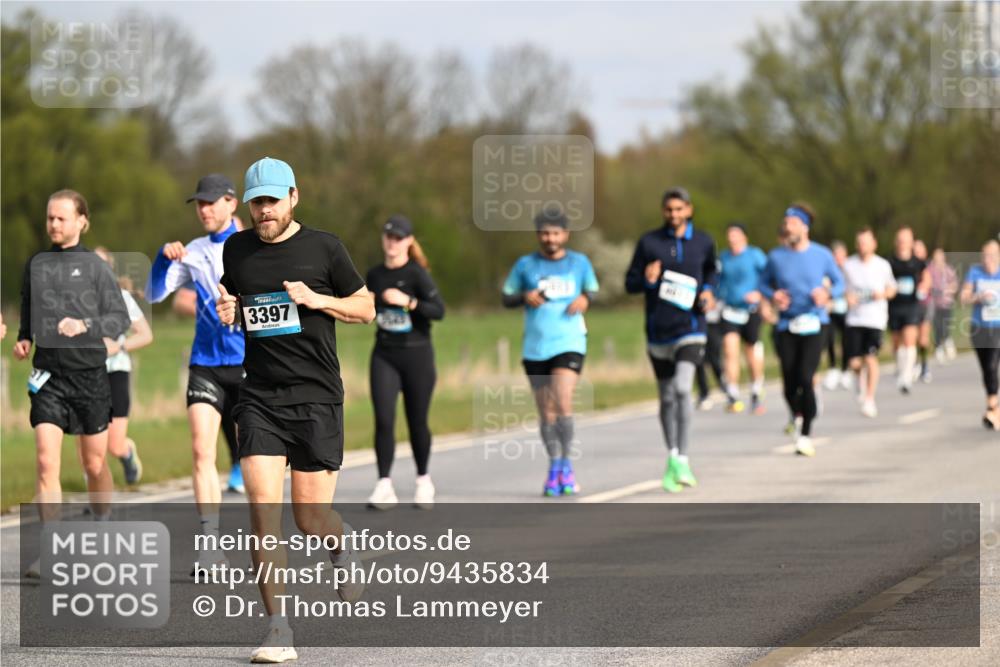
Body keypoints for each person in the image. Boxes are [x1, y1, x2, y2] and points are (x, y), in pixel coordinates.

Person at [216, 157, 374, 662]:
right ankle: (279, 631)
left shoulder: (325, 248)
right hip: (259, 396)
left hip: (316, 396)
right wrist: (232, 310)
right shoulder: (236, 249)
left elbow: (366, 308)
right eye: (256, 202)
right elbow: (240, 301)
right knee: (263, 513)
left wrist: (318, 300)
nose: (264, 211)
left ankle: (342, 543)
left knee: (309, 517)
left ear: (293, 198)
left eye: (271, 201)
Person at [14, 190, 130, 576]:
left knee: (93, 463)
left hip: (90, 377)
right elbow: (28, 311)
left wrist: (85, 326)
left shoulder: (97, 269)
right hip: (48, 377)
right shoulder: (37, 264)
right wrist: (24, 338)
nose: (53, 225)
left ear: (82, 221)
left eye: (61, 218)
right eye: (50, 218)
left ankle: (103, 526)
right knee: (47, 461)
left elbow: (118, 320)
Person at [145, 174, 247, 575]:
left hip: (249, 365)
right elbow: (155, 295)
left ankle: (265, 542)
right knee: (203, 451)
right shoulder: (193, 250)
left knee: (257, 461)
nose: (203, 210)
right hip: (205, 363)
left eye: (210, 202)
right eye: (198, 204)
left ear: (231, 203)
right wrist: (160, 259)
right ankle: (211, 547)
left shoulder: (254, 246)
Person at [625, 187, 716, 492]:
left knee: (681, 388)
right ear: (663, 211)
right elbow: (630, 282)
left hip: (691, 329)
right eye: (669, 210)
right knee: (665, 398)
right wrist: (647, 279)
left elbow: (712, 272)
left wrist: (709, 292)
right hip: (658, 331)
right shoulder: (649, 242)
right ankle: (673, 455)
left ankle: (685, 457)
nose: (674, 214)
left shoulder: (703, 241)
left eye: (679, 209)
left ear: (689, 210)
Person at [503, 208, 599, 496]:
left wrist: (584, 298)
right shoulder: (525, 265)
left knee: (562, 399)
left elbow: (593, 290)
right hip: (535, 347)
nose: (551, 238)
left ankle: (567, 463)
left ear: (566, 235)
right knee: (546, 412)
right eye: (545, 233)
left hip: (569, 342)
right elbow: (506, 297)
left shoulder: (579, 263)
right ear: (538, 235)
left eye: (556, 233)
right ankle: (554, 464)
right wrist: (523, 296)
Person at [365, 215, 445, 509]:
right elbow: (366, 310)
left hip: (417, 355)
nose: (392, 242)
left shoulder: (417, 274)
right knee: (384, 419)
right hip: (385, 354)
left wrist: (408, 302)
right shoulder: (374, 275)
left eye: (399, 238)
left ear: (409, 241)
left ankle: (423, 480)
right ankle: (384, 484)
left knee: (416, 421)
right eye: (388, 236)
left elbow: (439, 311)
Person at [759, 203, 844, 457]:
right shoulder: (775, 257)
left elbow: (840, 282)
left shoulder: (822, 254)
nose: (788, 228)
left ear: (804, 227)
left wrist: (826, 293)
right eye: (786, 224)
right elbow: (762, 284)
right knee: (788, 383)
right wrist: (774, 295)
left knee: (806, 377)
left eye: (793, 223)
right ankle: (801, 410)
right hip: (786, 325)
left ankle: (805, 434)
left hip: (815, 323)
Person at [85, 247, 153, 484]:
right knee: (91, 444)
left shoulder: (121, 298)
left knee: (113, 444)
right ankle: (97, 499)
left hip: (116, 372)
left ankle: (126, 452)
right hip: (87, 374)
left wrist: (118, 345)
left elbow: (145, 335)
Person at [841, 228, 896, 418]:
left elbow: (892, 289)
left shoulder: (882, 265)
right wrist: (848, 297)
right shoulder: (849, 265)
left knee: (871, 358)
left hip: (875, 319)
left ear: (874, 243)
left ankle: (870, 398)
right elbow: (842, 289)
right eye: (860, 242)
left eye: (866, 242)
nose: (863, 246)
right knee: (855, 362)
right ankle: (860, 380)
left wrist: (882, 294)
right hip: (855, 318)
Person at [717, 222, 768, 415]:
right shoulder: (723, 257)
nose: (732, 239)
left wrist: (759, 294)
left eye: (736, 235)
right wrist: (715, 296)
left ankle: (756, 389)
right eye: (729, 236)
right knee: (730, 350)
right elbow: (718, 281)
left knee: (751, 353)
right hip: (730, 310)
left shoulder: (755, 255)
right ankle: (733, 393)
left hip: (751, 311)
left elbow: (769, 277)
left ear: (744, 237)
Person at [959, 240, 1000, 430]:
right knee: (986, 369)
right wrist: (978, 297)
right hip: (979, 329)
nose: (987, 259)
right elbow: (963, 297)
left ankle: (992, 409)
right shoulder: (975, 273)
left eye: (992, 255)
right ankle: (994, 407)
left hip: (998, 328)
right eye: (984, 255)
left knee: (992, 365)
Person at [888, 227, 930, 395]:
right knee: (897, 343)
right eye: (901, 239)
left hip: (912, 305)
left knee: (910, 339)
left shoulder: (918, 262)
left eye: (907, 239)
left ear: (912, 242)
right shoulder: (889, 262)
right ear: (896, 242)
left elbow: (927, 278)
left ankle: (906, 376)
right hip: (894, 306)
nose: (903, 242)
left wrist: (923, 287)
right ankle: (901, 369)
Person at [823, 240, 852, 391]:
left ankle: (845, 370)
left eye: (841, 255)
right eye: (836, 255)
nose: (838, 258)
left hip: (847, 311)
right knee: (830, 339)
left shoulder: (850, 269)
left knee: (846, 341)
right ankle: (832, 368)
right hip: (832, 311)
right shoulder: (829, 271)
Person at [929, 248, 959, 363]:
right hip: (934, 303)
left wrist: (948, 289)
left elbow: (955, 284)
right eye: (936, 256)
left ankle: (947, 341)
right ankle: (938, 348)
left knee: (946, 324)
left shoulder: (948, 269)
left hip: (947, 302)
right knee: (937, 326)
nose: (938, 258)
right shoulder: (930, 270)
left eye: (940, 256)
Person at [696, 301, 724, 411]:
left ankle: (722, 383)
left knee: (714, 358)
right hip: (697, 323)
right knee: (699, 360)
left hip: (714, 323)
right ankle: (704, 393)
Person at [913, 239, 934, 383]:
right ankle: (914, 365)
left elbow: (928, 282)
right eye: (915, 251)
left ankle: (925, 366)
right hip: (911, 306)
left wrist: (923, 286)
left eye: (920, 251)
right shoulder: (908, 266)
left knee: (923, 338)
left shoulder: (927, 266)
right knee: (912, 337)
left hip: (925, 305)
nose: (917, 254)